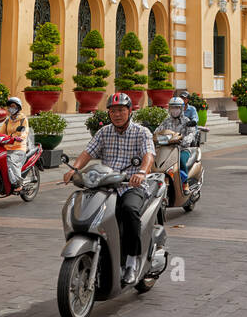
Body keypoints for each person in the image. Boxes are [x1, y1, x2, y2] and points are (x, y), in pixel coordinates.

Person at [63, 91, 156, 284]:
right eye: (113, 111)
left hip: (130, 185)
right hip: (105, 186)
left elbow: (149, 155)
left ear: (130, 111)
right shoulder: (104, 132)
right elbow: (88, 152)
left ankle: (132, 260)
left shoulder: (141, 132)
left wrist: (141, 173)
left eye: (121, 110)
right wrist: (75, 169)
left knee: (129, 210)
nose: (117, 114)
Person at [0, 95, 29, 191]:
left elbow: (25, 131)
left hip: (19, 148)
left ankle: (18, 184)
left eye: (13, 106)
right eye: (10, 106)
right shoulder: (7, 120)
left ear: (18, 107)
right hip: (7, 147)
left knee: (10, 161)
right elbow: (0, 132)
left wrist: (20, 137)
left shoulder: (23, 119)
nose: (11, 108)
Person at [163, 95, 197, 186]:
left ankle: (185, 184)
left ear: (181, 109)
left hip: (182, 149)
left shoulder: (186, 121)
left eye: (177, 107)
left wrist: (184, 140)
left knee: (181, 160)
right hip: (167, 149)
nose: (174, 110)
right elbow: (159, 131)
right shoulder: (166, 121)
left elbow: (192, 134)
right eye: (172, 107)